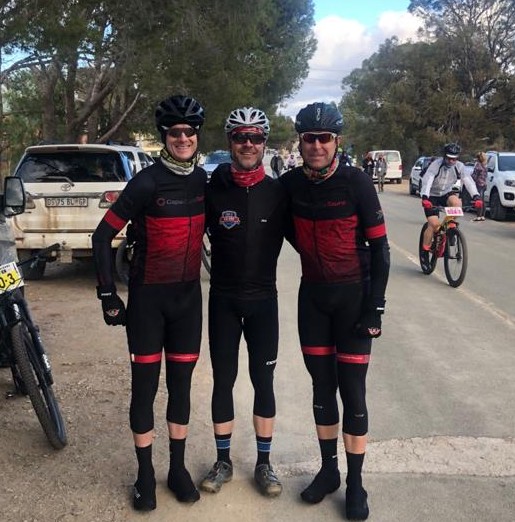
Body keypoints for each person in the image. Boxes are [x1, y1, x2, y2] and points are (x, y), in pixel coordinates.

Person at [91, 95, 207, 512]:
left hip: (187, 302)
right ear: (164, 136)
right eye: (174, 132)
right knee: (144, 389)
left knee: (181, 387)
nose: (182, 138)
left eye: (189, 131)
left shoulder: (203, 181)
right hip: (147, 302)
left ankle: (176, 469)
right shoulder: (146, 182)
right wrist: (108, 294)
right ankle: (144, 475)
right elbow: (102, 236)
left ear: (197, 136)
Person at [280, 103, 390, 520]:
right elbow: (282, 228)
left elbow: (380, 249)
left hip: (353, 301)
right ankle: (329, 471)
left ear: (336, 141)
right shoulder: (290, 185)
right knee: (322, 388)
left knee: (353, 391)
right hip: (313, 300)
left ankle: (356, 482)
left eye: (324, 138)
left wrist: (375, 307)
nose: (317, 145)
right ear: (300, 142)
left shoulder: (356, 182)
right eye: (309, 138)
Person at [199, 107, 287, 498]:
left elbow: (312, 235)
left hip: (264, 302)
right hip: (223, 301)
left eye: (255, 137)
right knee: (223, 380)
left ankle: (264, 464)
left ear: (264, 143)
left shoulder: (278, 193)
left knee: (263, 382)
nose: (248, 144)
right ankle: (223, 461)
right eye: (240, 137)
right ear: (230, 142)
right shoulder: (214, 188)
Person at [420, 143, 483, 268]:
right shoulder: (436, 165)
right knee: (434, 225)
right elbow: (428, 180)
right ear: (444, 156)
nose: (451, 161)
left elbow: (468, 181)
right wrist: (425, 197)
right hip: (431, 195)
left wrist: (476, 196)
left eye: (454, 159)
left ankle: (450, 229)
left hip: (445, 193)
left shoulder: (459, 166)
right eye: (449, 158)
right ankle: (425, 252)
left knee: (457, 203)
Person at [471, 151, 487, 221]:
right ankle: (483, 215)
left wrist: (471, 178)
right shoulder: (485, 166)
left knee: (479, 200)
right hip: (484, 184)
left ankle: (478, 216)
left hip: (478, 184)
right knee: (482, 200)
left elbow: (474, 176)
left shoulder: (478, 165)